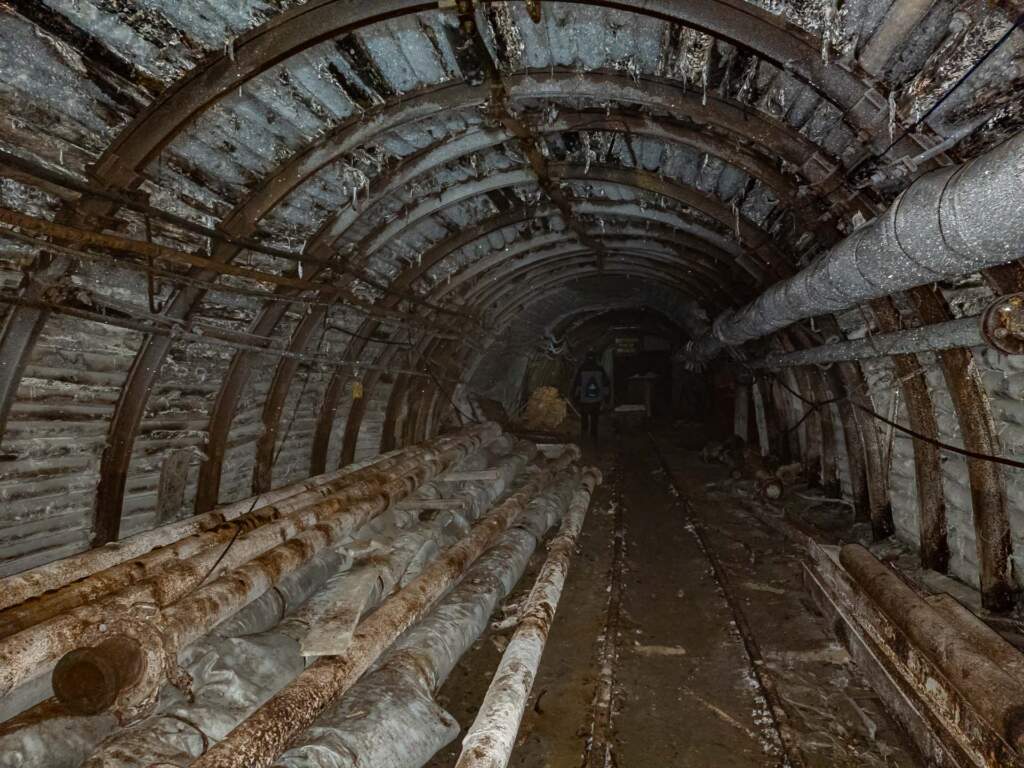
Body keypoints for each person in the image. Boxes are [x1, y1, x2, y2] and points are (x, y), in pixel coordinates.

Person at [573, 351, 610, 440]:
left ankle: (584, 433)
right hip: (597, 399)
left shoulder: (582, 368)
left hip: (584, 399)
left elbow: (577, 384)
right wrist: (606, 398)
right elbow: (606, 384)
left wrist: (576, 397)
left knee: (584, 417)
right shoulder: (600, 369)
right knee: (594, 417)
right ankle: (594, 435)